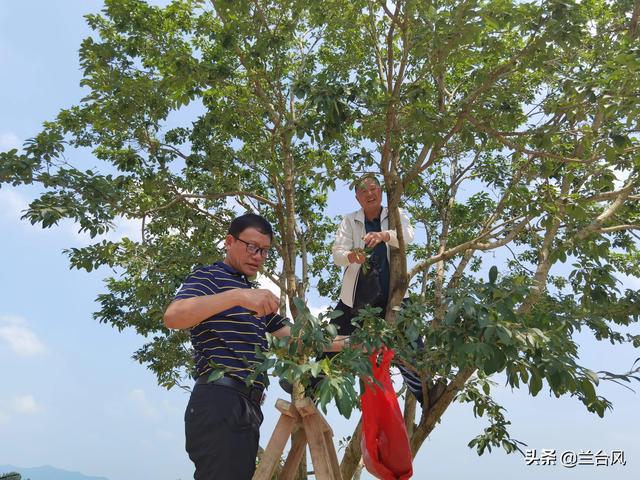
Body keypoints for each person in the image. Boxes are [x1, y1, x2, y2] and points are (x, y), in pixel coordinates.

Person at [164, 213, 347, 480]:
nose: (258, 256)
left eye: (264, 251)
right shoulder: (210, 278)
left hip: (249, 407)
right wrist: (238, 296)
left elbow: (298, 340)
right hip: (219, 400)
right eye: (251, 247)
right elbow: (173, 316)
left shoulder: (255, 296)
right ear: (229, 241)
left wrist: (356, 344)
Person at [331, 174, 444, 407]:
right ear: (357, 198)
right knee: (335, 336)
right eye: (364, 191)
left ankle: (426, 395)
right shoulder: (350, 220)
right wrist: (352, 256)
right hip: (358, 294)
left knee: (411, 342)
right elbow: (337, 254)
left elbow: (408, 236)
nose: (369, 194)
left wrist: (383, 236)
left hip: (395, 293)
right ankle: (308, 385)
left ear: (381, 191)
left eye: (373, 189)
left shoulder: (395, 213)